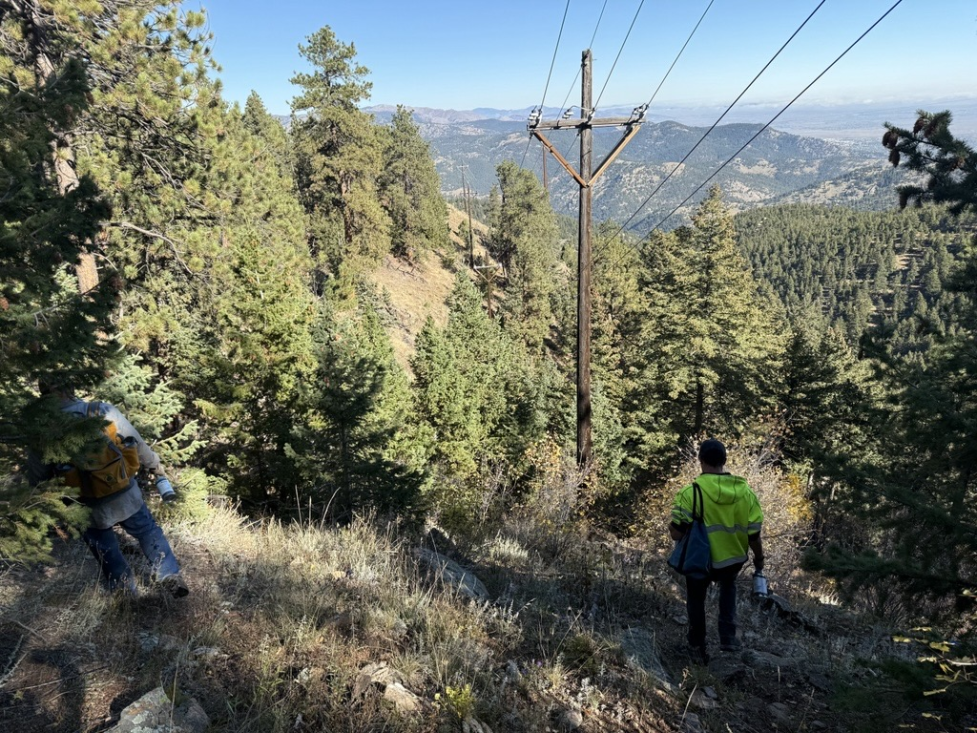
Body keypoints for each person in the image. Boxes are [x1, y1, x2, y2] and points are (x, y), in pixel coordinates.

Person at [29, 384, 189, 597]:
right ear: (70, 388)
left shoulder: (43, 430)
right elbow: (136, 442)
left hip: (84, 501)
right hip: (122, 490)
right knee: (147, 530)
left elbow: (37, 475)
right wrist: (156, 468)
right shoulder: (100, 411)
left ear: (44, 396)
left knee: (104, 546)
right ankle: (169, 576)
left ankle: (124, 592)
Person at [669, 438, 763, 663]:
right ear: (725, 461)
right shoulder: (746, 494)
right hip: (732, 558)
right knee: (728, 588)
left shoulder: (690, 493)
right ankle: (728, 638)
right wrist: (759, 558)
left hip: (700, 559)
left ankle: (697, 644)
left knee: (695, 597)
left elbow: (676, 533)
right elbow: (754, 535)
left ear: (700, 460)